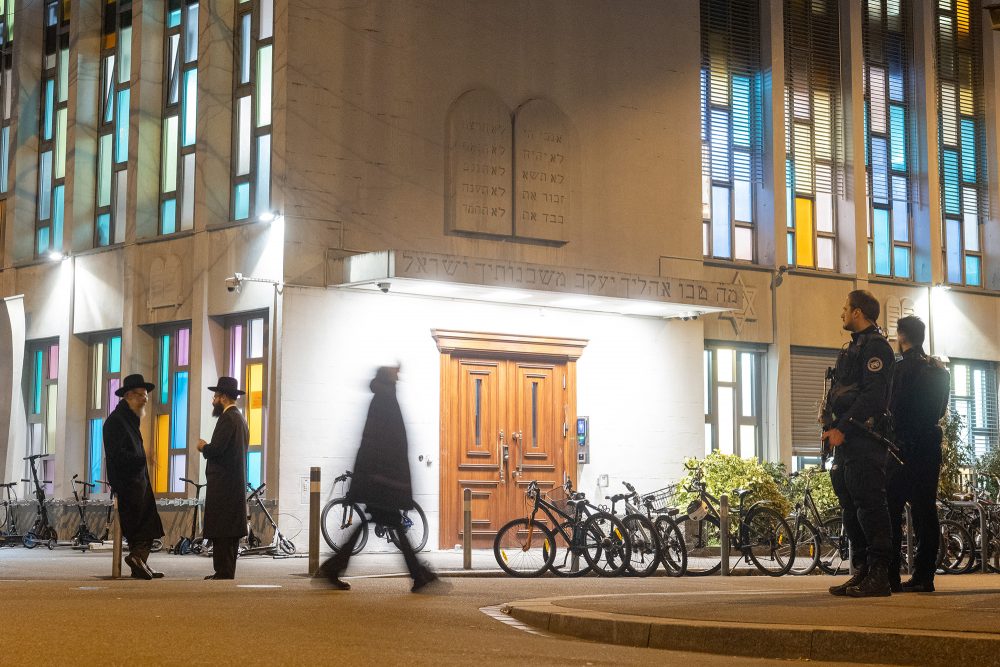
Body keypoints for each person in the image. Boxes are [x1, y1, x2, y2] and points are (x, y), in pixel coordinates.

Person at [318, 366, 438, 592]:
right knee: (394, 526)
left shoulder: (382, 399)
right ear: (389, 381)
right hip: (383, 482)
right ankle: (417, 574)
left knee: (386, 524)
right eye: (395, 379)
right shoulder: (386, 401)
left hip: (378, 480)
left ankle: (334, 567)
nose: (398, 382)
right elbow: (389, 445)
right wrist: (395, 479)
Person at [822, 290, 896, 598]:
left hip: (865, 439)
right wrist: (830, 427)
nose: (842, 313)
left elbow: (873, 398)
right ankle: (863, 570)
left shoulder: (876, 348)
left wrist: (844, 427)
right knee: (851, 507)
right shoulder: (855, 348)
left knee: (870, 506)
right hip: (848, 442)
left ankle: (879, 575)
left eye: (845, 308)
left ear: (858, 313)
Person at [887, 316, 947, 593]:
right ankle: (924, 576)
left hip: (901, 447)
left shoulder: (900, 371)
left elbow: (893, 409)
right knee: (926, 513)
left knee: (892, 511)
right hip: (929, 446)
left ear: (902, 337)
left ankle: (890, 576)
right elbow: (941, 410)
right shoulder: (939, 371)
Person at [104, 373, 165, 580]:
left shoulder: (130, 419)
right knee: (143, 527)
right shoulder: (116, 422)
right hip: (128, 485)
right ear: (128, 395)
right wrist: (143, 456)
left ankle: (140, 564)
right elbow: (117, 456)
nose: (145, 399)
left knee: (144, 526)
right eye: (141, 395)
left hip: (138, 483)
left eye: (146, 396)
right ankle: (137, 558)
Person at [197, 376, 249, 580]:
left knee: (223, 529)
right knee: (227, 530)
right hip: (233, 482)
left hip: (224, 484)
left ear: (224, 397)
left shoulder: (228, 418)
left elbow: (217, 449)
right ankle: (224, 570)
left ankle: (224, 571)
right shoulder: (240, 419)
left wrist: (203, 447)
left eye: (215, 396)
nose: (213, 401)